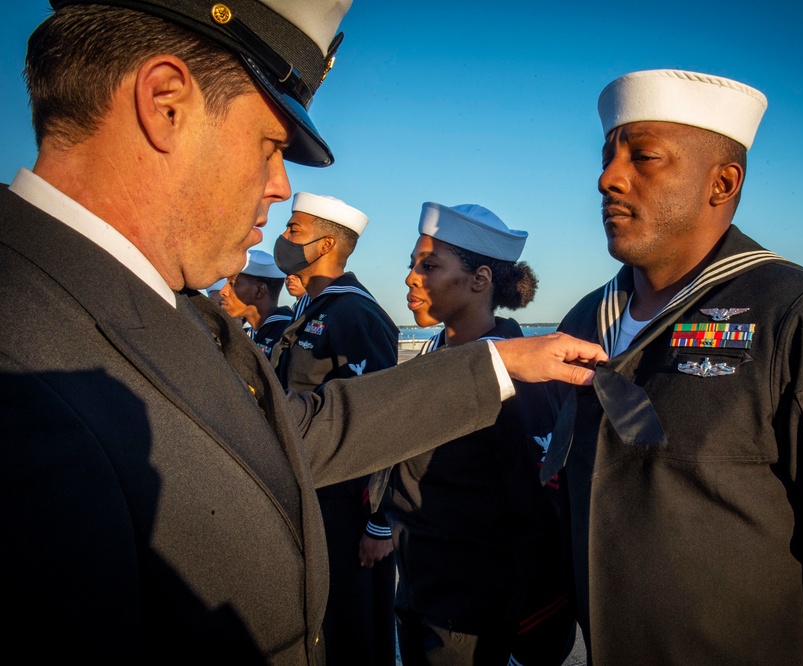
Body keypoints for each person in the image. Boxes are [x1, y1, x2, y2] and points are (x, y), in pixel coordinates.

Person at [0, 1, 606, 661]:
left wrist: (501, 363)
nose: (279, 185)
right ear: (165, 103)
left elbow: (295, 430)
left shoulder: (152, 306)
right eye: (270, 145)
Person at [544, 69, 803, 665]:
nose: (608, 177)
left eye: (643, 156)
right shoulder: (586, 319)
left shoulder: (801, 315)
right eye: (610, 156)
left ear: (722, 182)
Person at [380, 202, 575, 666]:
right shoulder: (430, 364)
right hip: (419, 598)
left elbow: (541, 518)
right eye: (412, 264)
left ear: (480, 279)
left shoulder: (516, 377)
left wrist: (529, 633)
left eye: (429, 265)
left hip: (477, 623)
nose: (411, 277)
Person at [270, 192, 397, 666]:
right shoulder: (315, 307)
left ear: (326, 246)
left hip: (346, 509)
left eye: (294, 231)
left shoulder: (355, 314)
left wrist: (379, 523)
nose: (283, 239)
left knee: (353, 633)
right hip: (312, 498)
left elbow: (384, 420)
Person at [218, 249, 294, 358]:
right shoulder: (246, 334)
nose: (223, 291)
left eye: (232, 283)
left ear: (259, 290)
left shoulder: (289, 334)